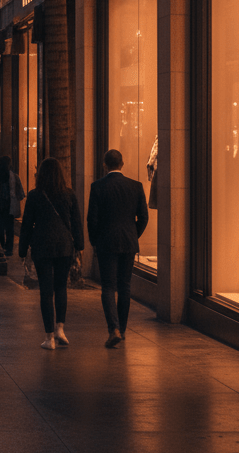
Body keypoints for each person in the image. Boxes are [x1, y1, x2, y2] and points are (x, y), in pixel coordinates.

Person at [19, 158, 84, 350]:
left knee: (46, 291)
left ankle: (49, 338)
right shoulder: (69, 195)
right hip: (64, 246)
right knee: (61, 287)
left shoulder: (34, 196)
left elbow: (27, 226)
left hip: (42, 246)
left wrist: (22, 250)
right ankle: (60, 329)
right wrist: (79, 246)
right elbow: (76, 224)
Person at [87, 149, 149, 348]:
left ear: (105, 165)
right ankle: (121, 329)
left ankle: (113, 328)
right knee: (125, 286)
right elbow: (144, 218)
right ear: (122, 164)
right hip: (128, 242)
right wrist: (133, 234)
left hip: (106, 242)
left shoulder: (97, 187)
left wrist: (95, 241)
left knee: (108, 286)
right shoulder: (136, 186)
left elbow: (92, 219)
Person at [0, 156, 25, 256]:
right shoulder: (14, 176)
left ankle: (1, 246)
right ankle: (9, 249)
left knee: (0, 226)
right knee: (9, 228)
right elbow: (21, 193)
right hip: (9, 206)